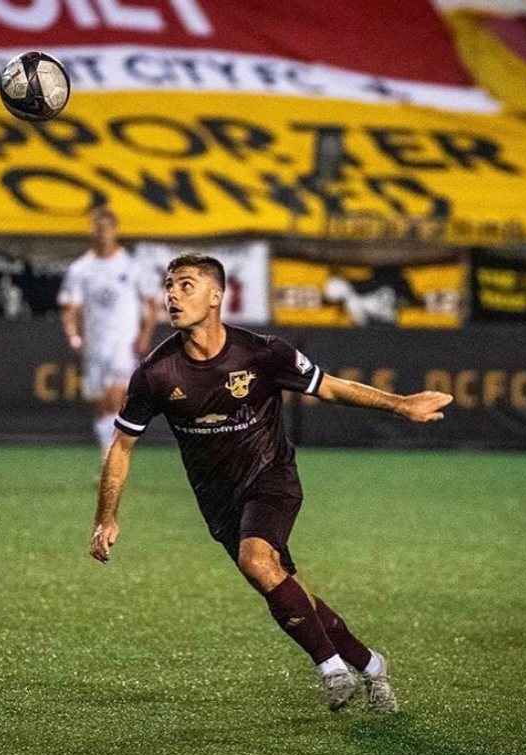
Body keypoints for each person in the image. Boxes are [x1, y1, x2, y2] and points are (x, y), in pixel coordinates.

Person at [89, 252, 453, 713]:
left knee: (256, 560)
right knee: (286, 587)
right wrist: (106, 518)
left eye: (185, 285)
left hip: (271, 477)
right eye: (169, 286)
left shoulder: (262, 353)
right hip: (219, 503)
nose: (172, 296)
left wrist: (400, 404)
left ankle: (332, 670)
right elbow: (122, 446)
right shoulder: (156, 373)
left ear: (216, 295)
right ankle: (372, 664)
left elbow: (330, 386)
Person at [58, 208, 158, 461]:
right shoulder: (81, 268)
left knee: (116, 399)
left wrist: (145, 335)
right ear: (91, 231)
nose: (102, 233)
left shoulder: (132, 265)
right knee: (102, 405)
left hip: (123, 343)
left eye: (106, 228)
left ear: (115, 230)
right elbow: (70, 308)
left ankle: (111, 461)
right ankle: (108, 454)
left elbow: (150, 302)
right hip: (95, 344)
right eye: (97, 228)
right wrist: (73, 336)